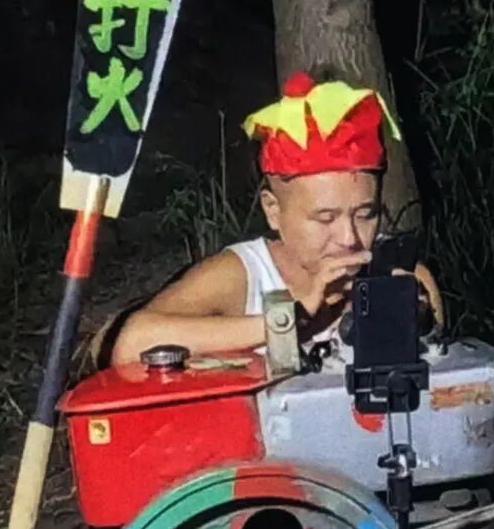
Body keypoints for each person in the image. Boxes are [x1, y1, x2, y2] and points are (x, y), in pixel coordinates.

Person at [109, 72, 402, 367]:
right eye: (325, 219)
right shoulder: (245, 274)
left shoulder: (393, 269)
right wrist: (288, 321)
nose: (349, 238)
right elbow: (131, 343)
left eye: (366, 214)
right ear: (273, 211)